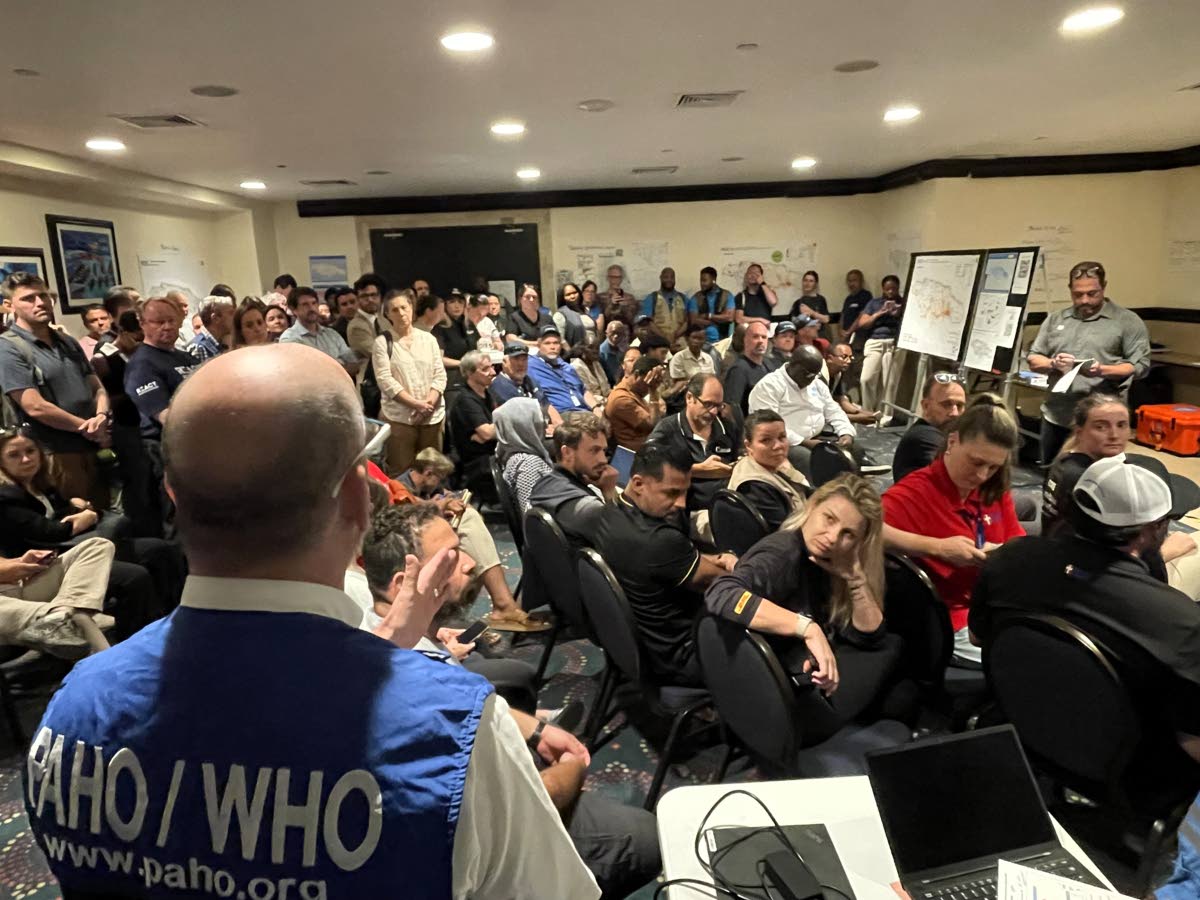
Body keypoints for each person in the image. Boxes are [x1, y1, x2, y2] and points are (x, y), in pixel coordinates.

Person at [27, 343, 600, 898]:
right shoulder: (450, 727)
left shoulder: (69, 712)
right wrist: (567, 775)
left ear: (173, 496)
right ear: (357, 499)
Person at [361, 502, 658, 897]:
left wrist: (533, 729)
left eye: (460, 547)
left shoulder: (364, 628)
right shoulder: (446, 704)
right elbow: (533, 799)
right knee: (648, 837)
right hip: (501, 852)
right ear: (403, 585)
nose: (469, 563)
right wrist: (573, 769)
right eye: (449, 559)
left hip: (480, 807)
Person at [970, 458, 1200, 772]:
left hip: (1019, 724)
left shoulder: (1009, 557)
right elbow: (1192, 740)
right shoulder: (1180, 622)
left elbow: (977, 637)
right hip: (1121, 771)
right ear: (1151, 530)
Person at [706, 474, 910, 743]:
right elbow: (721, 592)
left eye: (848, 533)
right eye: (830, 519)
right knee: (895, 653)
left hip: (795, 681)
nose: (833, 537)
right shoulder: (783, 553)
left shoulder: (829, 560)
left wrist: (855, 580)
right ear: (812, 508)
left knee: (900, 691)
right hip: (781, 703)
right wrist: (807, 629)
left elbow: (868, 635)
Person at [882, 395, 1024, 661]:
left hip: (996, 606)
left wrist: (1003, 553)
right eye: (976, 462)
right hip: (952, 620)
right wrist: (938, 548)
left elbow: (1017, 540)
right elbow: (864, 529)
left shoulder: (991, 488)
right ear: (952, 442)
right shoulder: (914, 493)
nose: (982, 475)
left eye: (993, 467)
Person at [594, 443, 737, 686]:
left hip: (637, 646)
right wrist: (730, 560)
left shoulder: (609, 512)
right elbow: (722, 582)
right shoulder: (660, 540)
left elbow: (673, 565)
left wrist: (712, 559)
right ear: (639, 484)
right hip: (681, 655)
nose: (681, 503)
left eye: (685, 493)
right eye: (671, 493)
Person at [0, 428, 181, 619]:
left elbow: (63, 514)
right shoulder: (5, 497)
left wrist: (76, 507)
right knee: (134, 577)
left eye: (30, 451)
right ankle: (138, 635)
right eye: (14, 455)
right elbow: (51, 531)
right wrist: (89, 516)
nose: (26, 459)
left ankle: (175, 614)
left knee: (160, 549)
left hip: (74, 547)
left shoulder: (40, 484)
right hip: (46, 563)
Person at [1040, 393, 1200, 598]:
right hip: (1102, 585)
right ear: (1080, 431)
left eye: (1122, 425)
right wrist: (1167, 551)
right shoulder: (1093, 485)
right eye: (1101, 426)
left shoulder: (1064, 464)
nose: (1114, 434)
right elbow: (1110, 558)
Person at [389, 449, 536, 628]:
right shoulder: (399, 486)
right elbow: (408, 517)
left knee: (472, 544)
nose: (441, 483)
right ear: (428, 473)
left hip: (430, 533)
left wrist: (446, 502)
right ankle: (502, 604)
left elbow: (438, 498)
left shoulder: (427, 486)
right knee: (470, 533)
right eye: (440, 477)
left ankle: (493, 607)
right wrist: (438, 506)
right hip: (411, 543)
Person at [0, 273, 111, 510]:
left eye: (44, 295)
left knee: (107, 515)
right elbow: (34, 406)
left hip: (92, 447)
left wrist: (101, 417)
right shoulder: (8, 347)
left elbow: (95, 385)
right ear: (11, 305)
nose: (40, 302)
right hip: (55, 454)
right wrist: (85, 427)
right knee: (79, 517)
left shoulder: (67, 341)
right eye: (29, 298)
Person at [1027, 260, 1151, 462]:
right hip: (1057, 415)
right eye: (1078, 294)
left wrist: (1101, 370)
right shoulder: (1056, 320)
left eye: (1092, 294)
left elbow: (1140, 366)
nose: (1085, 300)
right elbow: (1034, 358)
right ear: (1070, 290)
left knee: (1098, 481)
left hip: (1103, 423)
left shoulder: (1126, 321)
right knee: (1053, 478)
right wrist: (1053, 364)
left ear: (1104, 287)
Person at [90, 312, 157, 537]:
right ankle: (141, 530)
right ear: (122, 333)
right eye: (135, 338)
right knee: (137, 482)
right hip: (125, 424)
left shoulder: (145, 354)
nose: (139, 343)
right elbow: (106, 393)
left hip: (146, 424)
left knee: (151, 480)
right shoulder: (104, 357)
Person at [749, 345, 855, 475]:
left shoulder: (816, 383)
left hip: (817, 437)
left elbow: (834, 411)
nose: (811, 379)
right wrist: (805, 442)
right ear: (794, 365)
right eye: (809, 374)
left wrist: (845, 433)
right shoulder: (770, 386)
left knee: (852, 450)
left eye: (815, 374)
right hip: (786, 443)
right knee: (811, 460)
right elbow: (769, 428)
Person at [373, 289, 447, 473]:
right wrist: (415, 404)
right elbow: (386, 381)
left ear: (412, 308)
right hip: (400, 418)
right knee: (402, 472)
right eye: (395, 310)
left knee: (432, 472)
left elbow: (439, 374)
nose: (401, 313)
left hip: (431, 416)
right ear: (387, 314)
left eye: (404, 307)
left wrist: (427, 404)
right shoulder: (383, 342)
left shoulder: (428, 339)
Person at [0, 539, 116, 656]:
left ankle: (63, 614)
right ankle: (61, 618)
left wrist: (18, 562)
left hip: (17, 584)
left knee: (97, 546)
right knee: (84, 621)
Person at [649, 373, 741, 514]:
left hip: (726, 506)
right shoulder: (668, 429)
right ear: (690, 398)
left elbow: (736, 460)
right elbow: (648, 467)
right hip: (686, 511)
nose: (714, 412)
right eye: (708, 404)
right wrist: (698, 470)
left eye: (718, 406)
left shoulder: (727, 428)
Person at [529, 413, 618, 547]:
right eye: (594, 450)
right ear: (567, 453)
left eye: (603, 451)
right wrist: (609, 491)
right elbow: (623, 540)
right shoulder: (586, 507)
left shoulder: (543, 484)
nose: (603, 460)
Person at [124, 297, 201, 442]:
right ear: (142, 324)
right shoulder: (142, 365)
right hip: (166, 444)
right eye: (159, 322)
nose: (167, 326)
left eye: (171, 321)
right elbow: (165, 416)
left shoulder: (187, 357)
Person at [728, 409, 810, 532]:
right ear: (748, 446)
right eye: (766, 440)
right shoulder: (754, 487)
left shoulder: (773, 464)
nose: (778, 446)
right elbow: (787, 532)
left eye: (782, 437)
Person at [891, 372, 967, 484]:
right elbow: (962, 474)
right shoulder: (922, 436)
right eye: (946, 404)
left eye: (959, 406)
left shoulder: (943, 435)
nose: (955, 413)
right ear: (926, 406)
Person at [448, 350, 498, 501]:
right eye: (485, 369)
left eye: (492, 367)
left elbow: (488, 432)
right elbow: (487, 434)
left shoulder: (487, 394)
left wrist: (491, 430)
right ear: (469, 373)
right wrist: (501, 426)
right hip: (479, 462)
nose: (492, 372)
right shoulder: (465, 400)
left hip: (492, 451)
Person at [855, 274, 905, 414]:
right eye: (887, 289)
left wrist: (899, 313)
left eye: (893, 289)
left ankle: (886, 416)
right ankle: (868, 413)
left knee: (889, 383)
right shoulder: (874, 303)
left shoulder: (904, 302)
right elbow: (862, 323)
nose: (890, 292)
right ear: (883, 289)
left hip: (893, 343)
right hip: (875, 341)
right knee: (866, 378)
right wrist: (879, 313)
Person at [496, 397, 555, 514]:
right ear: (525, 427)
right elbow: (532, 517)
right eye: (539, 419)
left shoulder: (517, 452)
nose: (545, 425)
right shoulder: (528, 464)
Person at [527, 326, 603, 415]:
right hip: (562, 415)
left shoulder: (567, 367)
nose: (552, 347)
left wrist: (596, 408)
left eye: (556, 343)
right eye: (547, 343)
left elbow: (583, 390)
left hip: (584, 411)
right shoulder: (531, 365)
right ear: (539, 345)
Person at [490, 341, 565, 428]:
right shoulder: (499, 386)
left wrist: (558, 425)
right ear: (505, 361)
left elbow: (546, 405)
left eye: (524, 359)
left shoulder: (529, 380)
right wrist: (545, 429)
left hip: (541, 429)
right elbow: (518, 421)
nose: (521, 364)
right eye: (516, 359)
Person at [605, 355, 665, 452]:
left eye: (657, 382)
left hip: (649, 447)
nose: (653, 385)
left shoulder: (635, 393)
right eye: (650, 382)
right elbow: (653, 425)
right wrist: (653, 391)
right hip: (634, 456)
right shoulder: (621, 399)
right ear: (637, 375)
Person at [433, 289, 479, 414]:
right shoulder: (440, 328)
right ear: (445, 306)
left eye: (460, 302)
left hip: (473, 377)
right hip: (452, 380)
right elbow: (439, 359)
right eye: (452, 302)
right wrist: (462, 363)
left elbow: (478, 347)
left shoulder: (469, 325)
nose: (457, 305)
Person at [723, 320, 778, 415]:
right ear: (745, 340)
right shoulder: (738, 370)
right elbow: (731, 408)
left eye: (764, 337)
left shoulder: (769, 365)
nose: (761, 341)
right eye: (755, 337)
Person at [824, 341, 879, 424]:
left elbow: (841, 399)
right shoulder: (819, 375)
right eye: (844, 357)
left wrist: (860, 412)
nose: (849, 361)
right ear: (830, 358)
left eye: (850, 357)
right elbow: (822, 411)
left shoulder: (838, 373)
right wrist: (856, 418)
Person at [839, 269, 872, 400]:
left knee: (859, 371)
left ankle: (862, 401)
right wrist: (841, 330)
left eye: (855, 280)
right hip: (846, 341)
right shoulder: (848, 298)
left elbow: (861, 317)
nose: (852, 283)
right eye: (849, 281)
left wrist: (849, 331)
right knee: (846, 371)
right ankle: (847, 399)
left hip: (858, 340)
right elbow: (843, 315)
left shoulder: (866, 296)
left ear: (861, 281)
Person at [643, 267, 689, 348]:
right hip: (658, 338)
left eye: (672, 277)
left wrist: (676, 335)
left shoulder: (683, 298)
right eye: (666, 277)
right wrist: (664, 337)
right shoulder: (652, 297)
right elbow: (649, 322)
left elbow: (688, 321)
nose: (669, 280)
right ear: (661, 278)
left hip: (679, 338)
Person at [689, 265, 736, 343]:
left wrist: (708, 316)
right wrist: (716, 321)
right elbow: (693, 320)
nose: (702, 284)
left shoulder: (727, 295)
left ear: (713, 280)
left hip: (723, 338)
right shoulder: (696, 298)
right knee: (711, 331)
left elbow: (730, 317)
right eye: (701, 280)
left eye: (704, 280)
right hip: (702, 338)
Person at [187, 294, 234, 361]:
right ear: (215, 318)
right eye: (231, 313)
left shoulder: (221, 344)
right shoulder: (199, 348)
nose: (235, 317)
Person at [668, 323, 716, 388]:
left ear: (704, 340)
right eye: (694, 338)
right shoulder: (678, 357)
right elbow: (679, 382)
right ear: (687, 339)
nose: (696, 341)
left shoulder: (708, 358)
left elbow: (711, 380)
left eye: (700, 338)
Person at [569, 337, 611, 407]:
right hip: (591, 405)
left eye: (597, 348)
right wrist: (607, 401)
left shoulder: (596, 364)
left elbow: (606, 388)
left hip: (606, 401)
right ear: (583, 349)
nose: (595, 351)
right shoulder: (576, 367)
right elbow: (586, 394)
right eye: (591, 347)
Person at [734, 263, 779, 327]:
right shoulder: (741, 296)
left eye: (756, 273)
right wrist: (760, 320)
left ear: (761, 276)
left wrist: (762, 283)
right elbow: (739, 319)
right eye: (750, 273)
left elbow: (773, 302)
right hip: (748, 332)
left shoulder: (767, 293)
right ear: (746, 276)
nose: (753, 275)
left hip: (765, 331)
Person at [788, 270, 830, 338]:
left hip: (820, 337)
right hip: (804, 338)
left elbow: (826, 319)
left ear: (815, 284)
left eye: (811, 281)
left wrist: (812, 313)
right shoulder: (798, 302)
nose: (807, 283)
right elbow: (793, 323)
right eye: (805, 280)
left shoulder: (821, 299)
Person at [553, 281, 593, 348]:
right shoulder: (560, 315)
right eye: (568, 295)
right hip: (575, 356)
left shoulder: (585, 310)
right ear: (562, 298)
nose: (572, 296)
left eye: (574, 293)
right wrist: (571, 354)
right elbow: (560, 339)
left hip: (592, 353)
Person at [599, 264, 639, 330]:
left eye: (618, 277)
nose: (615, 280)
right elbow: (601, 318)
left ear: (621, 279)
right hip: (606, 331)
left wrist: (624, 306)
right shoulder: (600, 297)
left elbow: (631, 319)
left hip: (625, 331)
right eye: (612, 277)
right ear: (608, 278)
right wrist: (611, 304)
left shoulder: (629, 298)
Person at [598, 320, 630, 385]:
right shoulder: (601, 352)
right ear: (606, 333)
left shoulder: (625, 349)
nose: (615, 336)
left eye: (619, 333)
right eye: (613, 333)